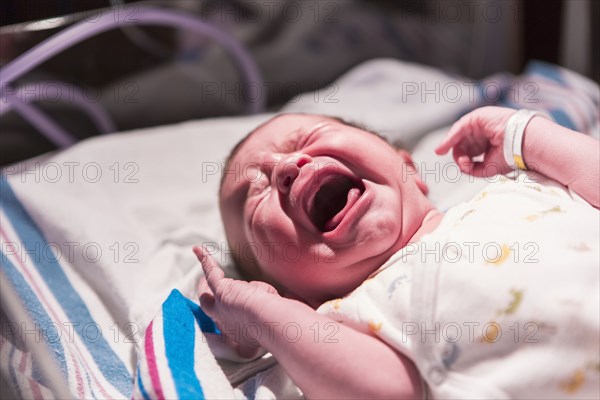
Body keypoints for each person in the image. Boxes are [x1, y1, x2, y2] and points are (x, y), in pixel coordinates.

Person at [195, 106, 600, 399]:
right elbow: (388, 392)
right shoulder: (354, 321)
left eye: (306, 139)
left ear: (407, 165)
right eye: (257, 194)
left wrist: (525, 135)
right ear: (291, 293)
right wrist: (264, 314)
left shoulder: (522, 188)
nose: (287, 168)